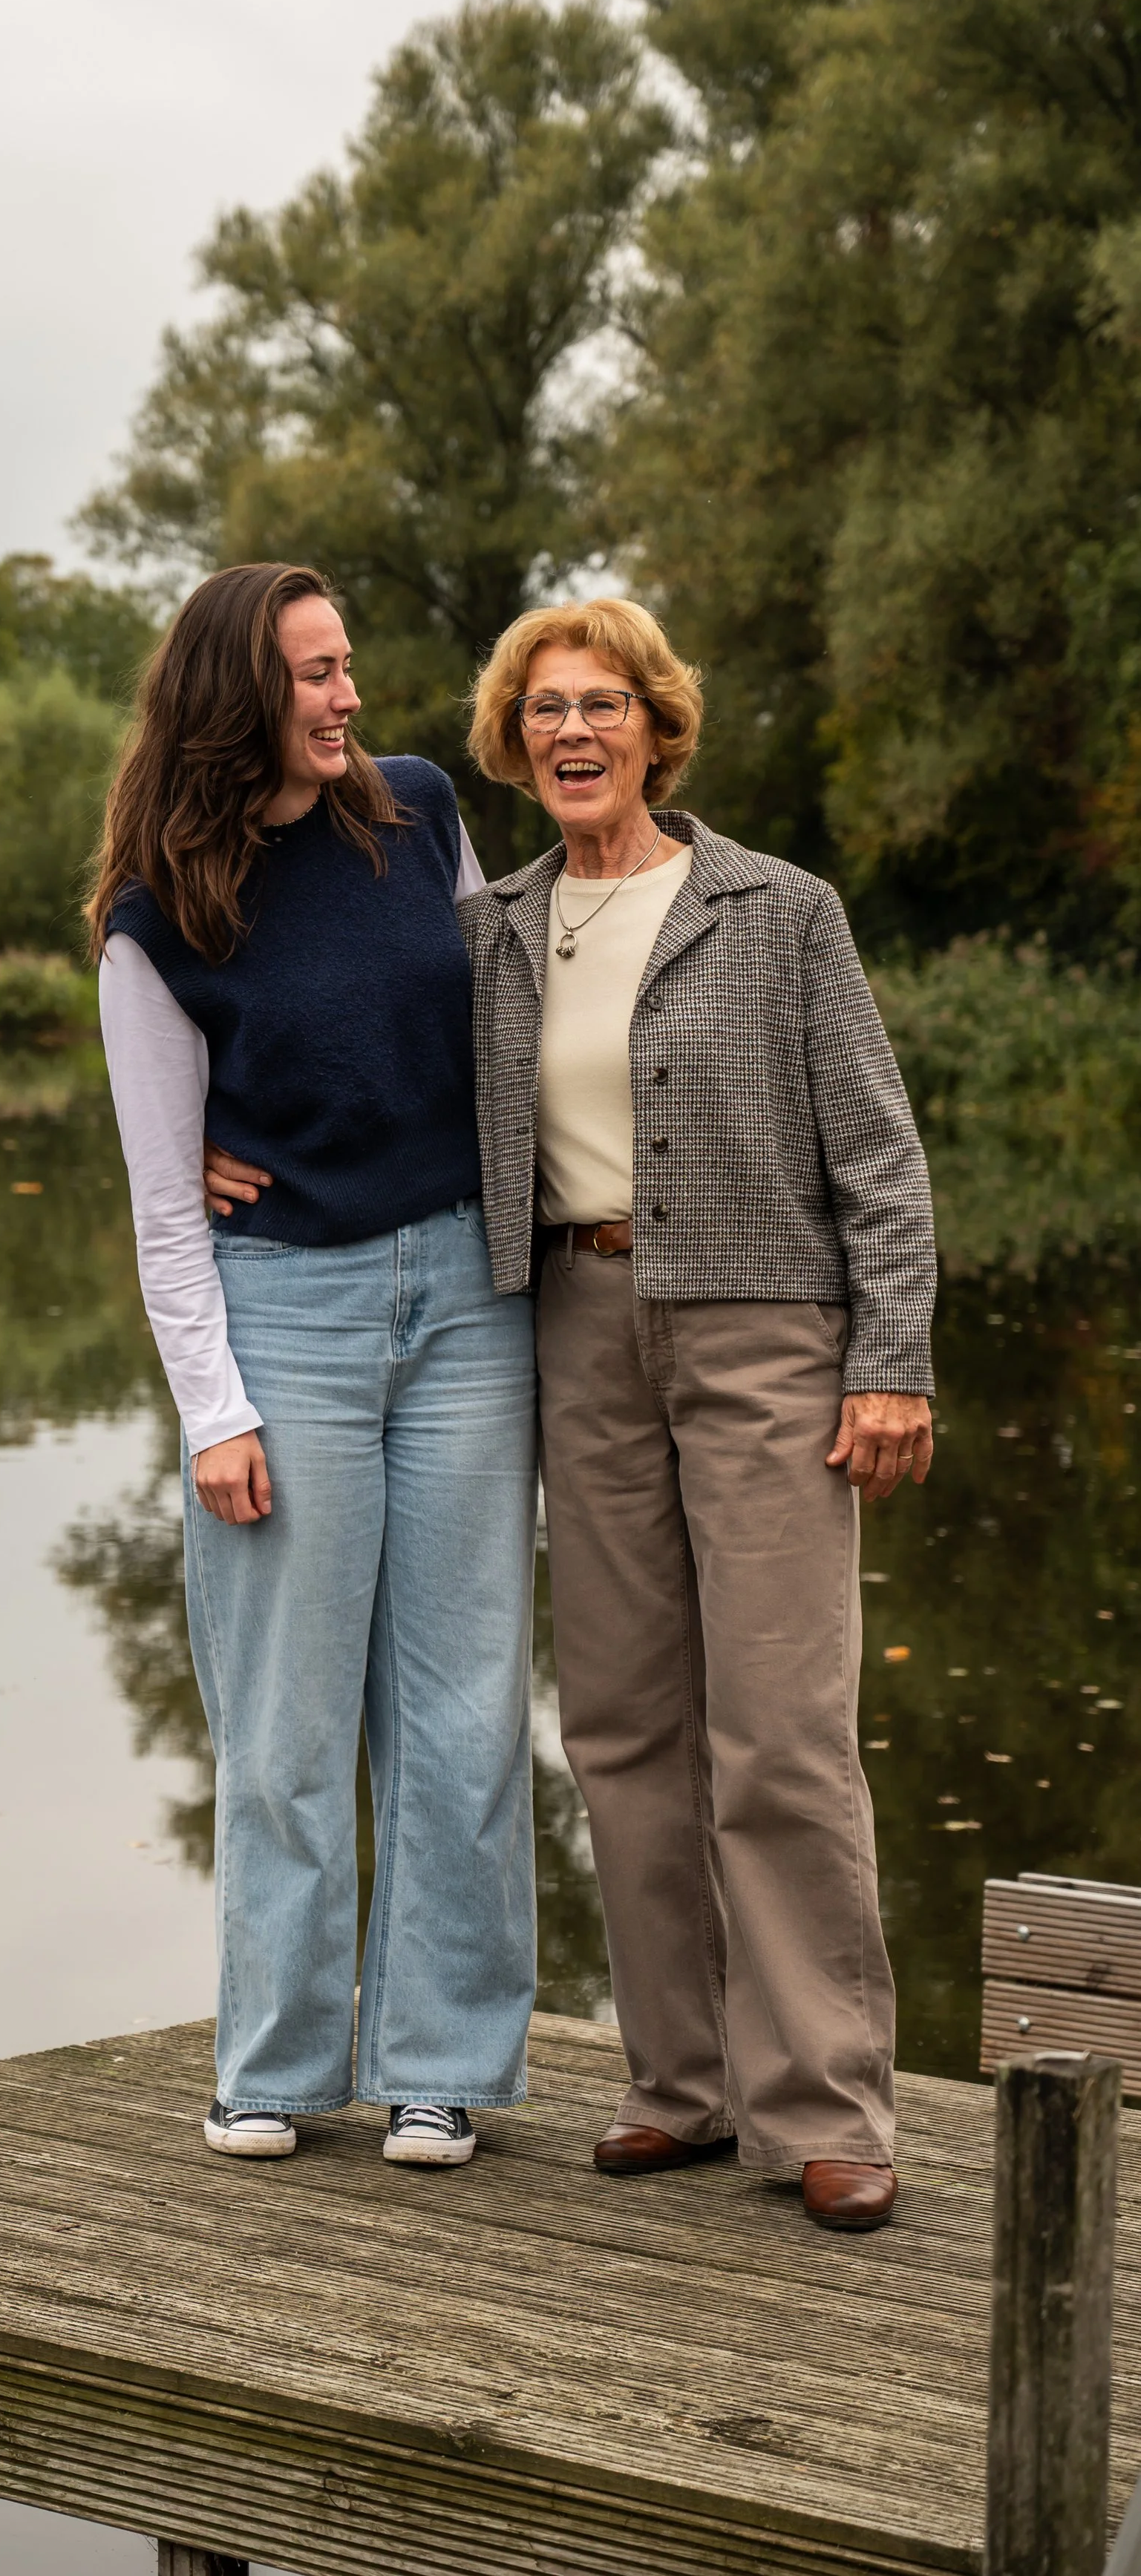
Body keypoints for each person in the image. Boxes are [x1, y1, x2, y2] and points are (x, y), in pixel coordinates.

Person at [456, 595, 935, 2232]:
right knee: (620, 1724)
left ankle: (821, 2106)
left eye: (598, 705)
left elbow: (875, 1153)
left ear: (657, 728)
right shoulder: (496, 931)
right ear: (512, 746)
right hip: (576, 1333)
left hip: (760, 1336)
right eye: (541, 711)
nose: (569, 733)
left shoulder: (774, 911)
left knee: (781, 1732)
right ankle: (682, 2087)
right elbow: (374, 1094)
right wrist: (232, 1158)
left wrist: (891, 1359)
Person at [88, 563, 537, 2168]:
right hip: (288, 1317)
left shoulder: (416, 814)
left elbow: (510, 1024)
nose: (347, 699)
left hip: (467, 1305)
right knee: (283, 1722)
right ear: (235, 702)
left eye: (346, 667)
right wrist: (213, 1407)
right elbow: (160, 1198)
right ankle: (274, 2070)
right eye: (312, 677)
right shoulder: (159, 915)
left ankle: (441, 2068)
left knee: (464, 1704)